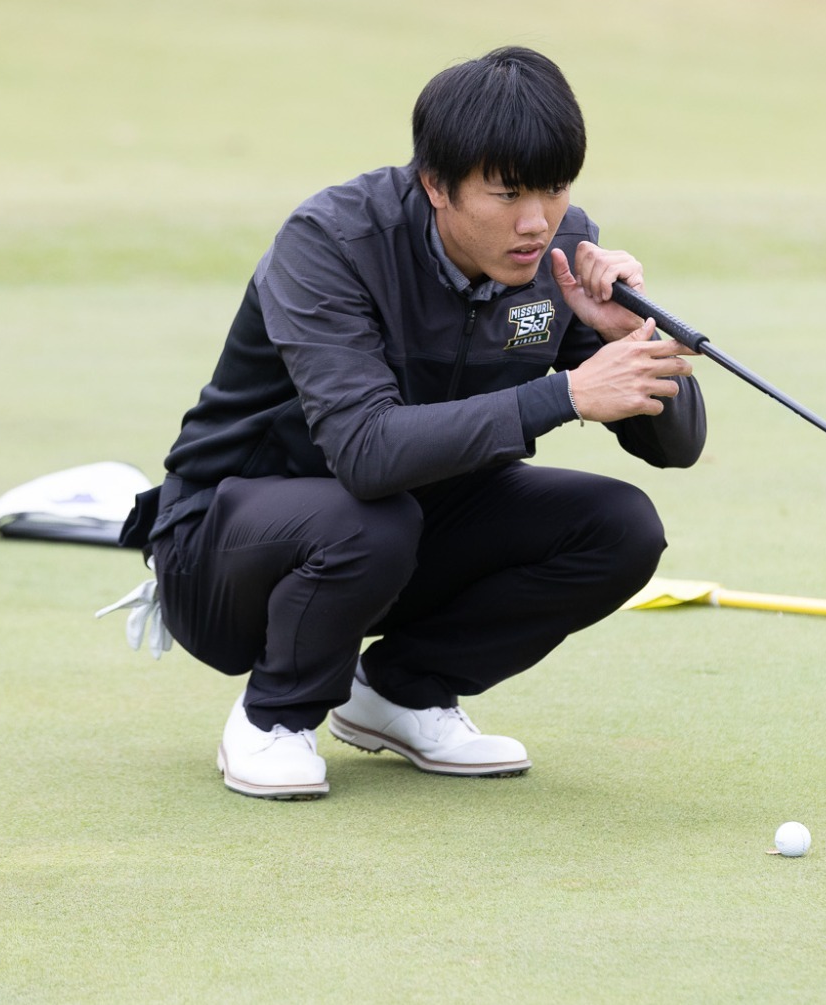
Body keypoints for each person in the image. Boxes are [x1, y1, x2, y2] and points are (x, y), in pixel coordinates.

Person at [118, 47, 707, 800]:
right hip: (224, 551)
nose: (537, 221)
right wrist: (562, 394)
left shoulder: (560, 251)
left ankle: (401, 690)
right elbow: (365, 454)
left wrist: (630, 336)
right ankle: (273, 718)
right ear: (435, 184)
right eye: (507, 194)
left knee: (620, 525)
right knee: (374, 518)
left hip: (405, 525)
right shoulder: (331, 244)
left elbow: (680, 448)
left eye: (556, 189)